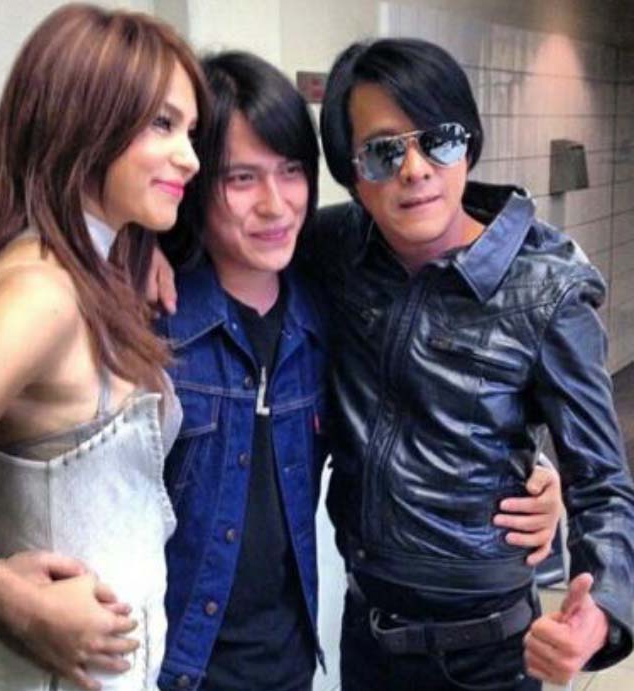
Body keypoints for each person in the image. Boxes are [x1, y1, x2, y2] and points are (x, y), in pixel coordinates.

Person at [145, 51, 562, 691]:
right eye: (241, 178)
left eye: (292, 172)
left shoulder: (321, 303)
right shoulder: (151, 316)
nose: (276, 205)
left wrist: (531, 469)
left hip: (292, 663)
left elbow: (421, 388)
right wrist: (139, 241)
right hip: (169, 669)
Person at [307, 37, 634, 690]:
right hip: (367, 635)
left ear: (469, 144)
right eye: (383, 151)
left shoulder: (544, 287)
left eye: (441, 140)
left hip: (488, 656)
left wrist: (599, 609)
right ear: (352, 173)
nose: (416, 169)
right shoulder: (332, 248)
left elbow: (602, 484)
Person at [0, 4, 207, 691]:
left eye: (190, 131)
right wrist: (17, 606)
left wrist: (144, 251)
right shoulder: (42, 294)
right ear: (85, 120)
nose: (190, 158)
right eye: (162, 124)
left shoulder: (89, 271)